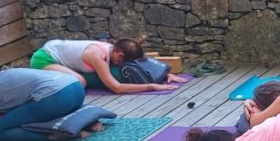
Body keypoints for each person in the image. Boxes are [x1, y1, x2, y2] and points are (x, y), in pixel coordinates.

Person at [29, 37, 186, 94]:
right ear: (119, 56)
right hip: (45, 59)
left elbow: (140, 63)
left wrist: (163, 75)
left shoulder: (113, 49)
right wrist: (151, 86)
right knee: (79, 83)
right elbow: (116, 88)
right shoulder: (97, 56)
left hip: (59, 50)